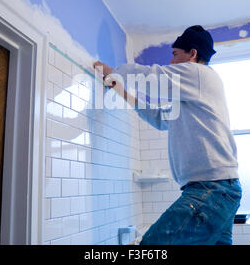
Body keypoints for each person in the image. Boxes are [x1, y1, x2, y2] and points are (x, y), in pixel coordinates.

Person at [93, 25, 241, 245]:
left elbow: (153, 77)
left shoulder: (199, 74)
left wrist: (114, 71)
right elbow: (160, 118)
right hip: (219, 189)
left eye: (174, 54)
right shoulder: (191, 94)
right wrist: (118, 88)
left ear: (193, 54)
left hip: (211, 188)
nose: (171, 62)